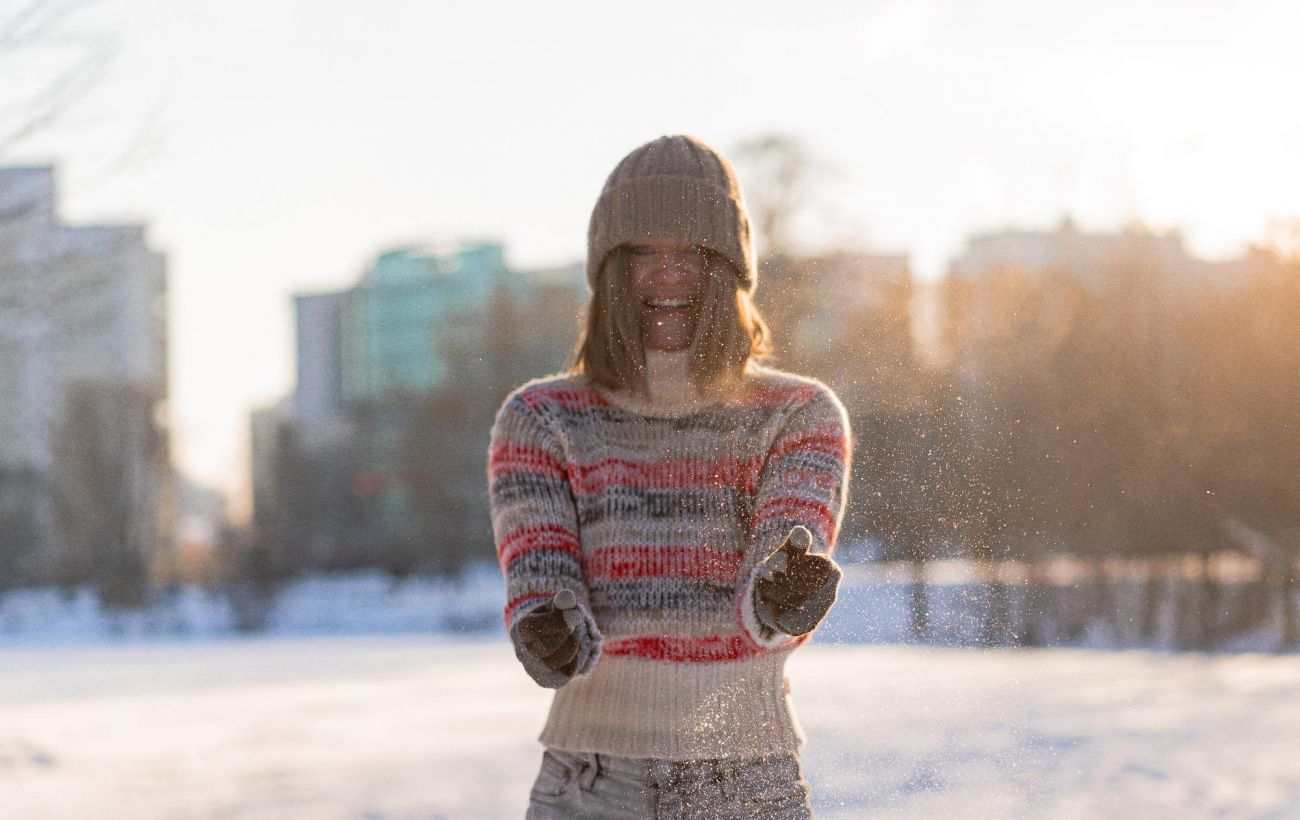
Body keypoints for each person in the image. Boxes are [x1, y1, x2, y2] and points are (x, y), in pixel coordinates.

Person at [487, 134, 853, 818]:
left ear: (728, 268)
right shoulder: (542, 419)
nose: (668, 276)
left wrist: (782, 592)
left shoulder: (798, 414)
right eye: (643, 254)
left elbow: (780, 559)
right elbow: (541, 578)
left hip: (744, 782)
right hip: (590, 785)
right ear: (608, 271)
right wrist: (548, 630)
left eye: (691, 253)